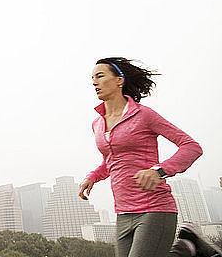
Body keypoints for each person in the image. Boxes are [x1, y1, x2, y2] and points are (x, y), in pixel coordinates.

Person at [78, 57, 222, 257]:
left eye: (100, 76)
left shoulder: (144, 115)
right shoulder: (98, 124)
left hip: (155, 208)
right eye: (92, 78)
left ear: (119, 80)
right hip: (123, 213)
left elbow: (191, 147)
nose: (94, 82)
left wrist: (159, 171)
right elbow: (111, 160)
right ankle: (187, 248)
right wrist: (93, 176)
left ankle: (186, 249)